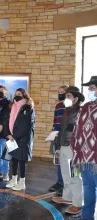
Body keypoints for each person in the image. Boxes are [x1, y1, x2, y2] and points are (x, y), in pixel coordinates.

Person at [52, 86, 84, 215]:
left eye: (69, 96)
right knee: (65, 173)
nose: (66, 98)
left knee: (75, 176)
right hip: (64, 146)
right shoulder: (67, 111)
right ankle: (67, 196)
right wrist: (59, 146)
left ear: (76, 98)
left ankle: (77, 204)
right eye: (66, 96)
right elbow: (62, 130)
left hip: (74, 148)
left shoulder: (81, 112)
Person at [69, 76, 97, 220]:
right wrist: (75, 146)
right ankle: (87, 216)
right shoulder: (86, 107)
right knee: (88, 188)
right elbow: (77, 128)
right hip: (84, 157)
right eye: (89, 88)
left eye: (93, 88)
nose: (90, 91)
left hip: (95, 157)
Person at [3, 88, 35, 191]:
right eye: (16, 94)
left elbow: (25, 126)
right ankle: (14, 179)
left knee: (21, 160)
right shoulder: (12, 107)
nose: (17, 95)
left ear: (24, 95)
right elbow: (7, 121)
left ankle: (22, 182)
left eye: (19, 94)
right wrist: (8, 134)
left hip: (22, 139)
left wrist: (14, 136)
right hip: (12, 137)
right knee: (14, 159)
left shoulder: (28, 108)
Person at [49, 85, 69, 195]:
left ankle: (66, 184)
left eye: (62, 92)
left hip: (65, 138)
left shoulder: (69, 107)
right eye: (59, 92)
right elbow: (55, 121)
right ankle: (59, 182)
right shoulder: (58, 106)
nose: (60, 94)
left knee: (65, 162)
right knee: (58, 160)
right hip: (57, 136)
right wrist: (53, 134)